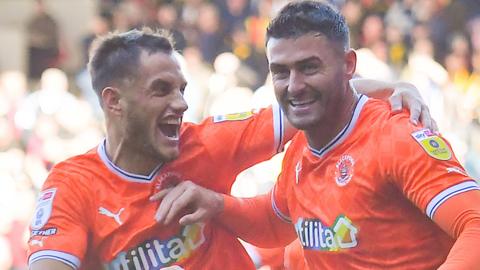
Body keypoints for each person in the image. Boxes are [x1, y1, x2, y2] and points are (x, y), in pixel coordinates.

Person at [28, 27, 433, 269]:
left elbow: (316, 103)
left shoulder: (204, 143)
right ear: (113, 101)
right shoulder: (73, 184)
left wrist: (393, 88)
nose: (181, 104)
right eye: (161, 91)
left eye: (182, 90)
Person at [153, 1, 480, 269]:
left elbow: (475, 226)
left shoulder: (396, 137)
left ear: (348, 65)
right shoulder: (301, 147)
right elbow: (274, 220)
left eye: (309, 67)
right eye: (281, 71)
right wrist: (215, 204)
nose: (294, 86)